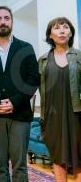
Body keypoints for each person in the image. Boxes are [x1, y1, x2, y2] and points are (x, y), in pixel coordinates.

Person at [0, 6, 39, 182]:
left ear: (11, 21)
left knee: (20, 165)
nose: (3, 22)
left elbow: (33, 79)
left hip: (20, 114)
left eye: (6, 18)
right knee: (0, 166)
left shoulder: (26, 48)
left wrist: (14, 102)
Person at [38, 17, 81, 182]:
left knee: (78, 157)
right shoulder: (42, 60)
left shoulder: (79, 57)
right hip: (52, 116)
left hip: (77, 114)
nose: (62, 31)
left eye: (65, 27)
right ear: (50, 35)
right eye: (57, 28)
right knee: (57, 156)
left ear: (70, 33)